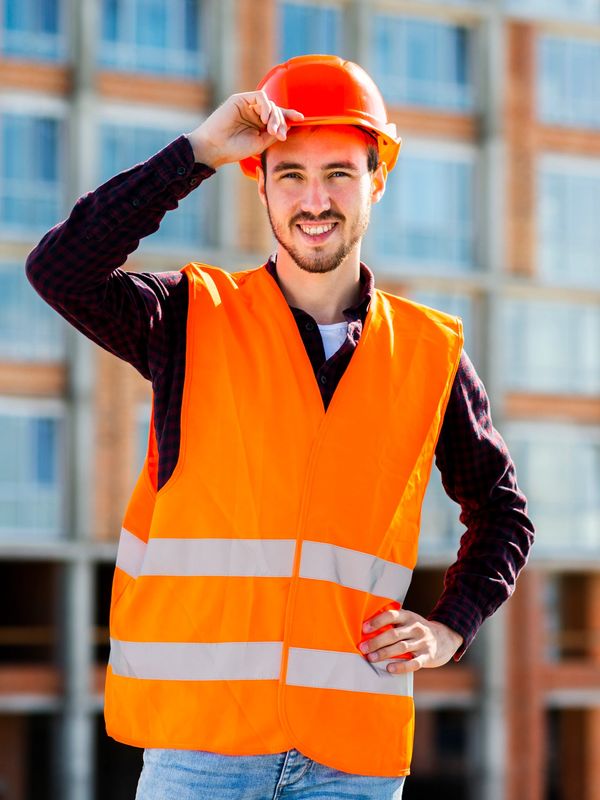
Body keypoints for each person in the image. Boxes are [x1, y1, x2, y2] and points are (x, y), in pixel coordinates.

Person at [26, 55, 534, 800]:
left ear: (378, 179)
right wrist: (196, 152)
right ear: (258, 183)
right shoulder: (190, 318)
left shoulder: (428, 354)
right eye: (290, 174)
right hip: (200, 751)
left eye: (340, 173)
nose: (315, 199)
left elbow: (502, 512)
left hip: (351, 758)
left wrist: (452, 627)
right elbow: (60, 269)